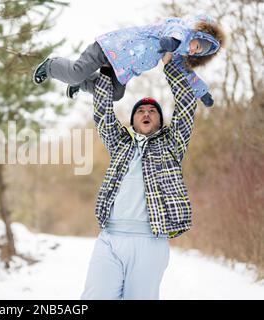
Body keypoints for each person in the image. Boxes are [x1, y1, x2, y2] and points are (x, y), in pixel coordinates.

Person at [81, 52, 196, 300]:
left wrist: (171, 66)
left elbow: (186, 104)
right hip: (110, 238)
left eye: (152, 111)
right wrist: (105, 73)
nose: (146, 113)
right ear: (133, 120)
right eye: (140, 110)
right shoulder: (120, 144)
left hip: (150, 241)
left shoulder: (172, 145)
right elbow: (103, 115)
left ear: (160, 120)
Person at [33, 14, 225, 107]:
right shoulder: (178, 28)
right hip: (110, 48)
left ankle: (82, 83)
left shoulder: (176, 54)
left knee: (115, 94)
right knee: (75, 73)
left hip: (121, 70)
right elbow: (174, 32)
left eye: (197, 52)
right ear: (196, 34)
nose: (193, 49)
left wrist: (202, 93)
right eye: (196, 45)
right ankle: (50, 66)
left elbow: (186, 73)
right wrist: (172, 41)